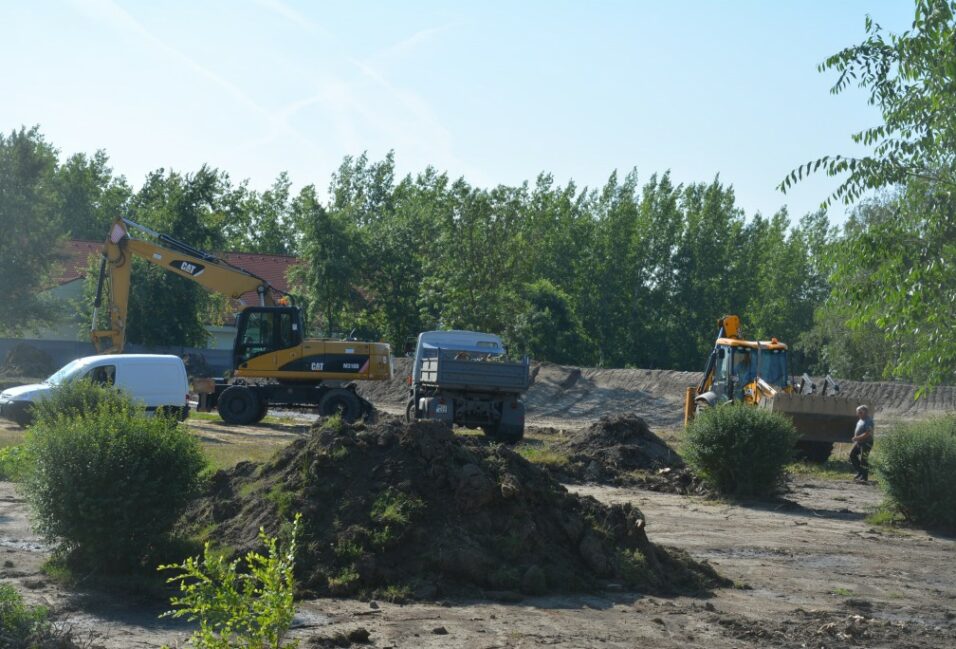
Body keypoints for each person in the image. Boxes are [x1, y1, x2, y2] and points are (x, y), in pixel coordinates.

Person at [850, 404, 874, 482]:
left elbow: (868, 433)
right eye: (858, 412)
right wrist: (857, 439)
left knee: (864, 459)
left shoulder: (869, 420)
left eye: (860, 412)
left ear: (866, 412)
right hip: (859, 442)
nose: (858, 414)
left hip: (866, 442)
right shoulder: (860, 420)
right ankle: (860, 472)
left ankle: (864, 477)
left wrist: (857, 438)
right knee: (852, 455)